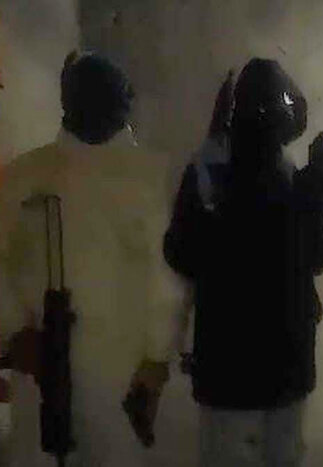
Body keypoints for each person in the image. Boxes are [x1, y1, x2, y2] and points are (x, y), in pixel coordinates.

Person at [163, 58, 323, 467]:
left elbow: (179, 254)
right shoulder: (294, 178)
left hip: (224, 373)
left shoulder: (209, 172)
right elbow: (318, 254)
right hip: (287, 370)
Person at [0, 51, 185, 466]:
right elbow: (165, 283)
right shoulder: (151, 175)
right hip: (118, 372)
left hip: (41, 364)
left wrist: (14, 330)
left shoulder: (23, 174)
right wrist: (157, 357)